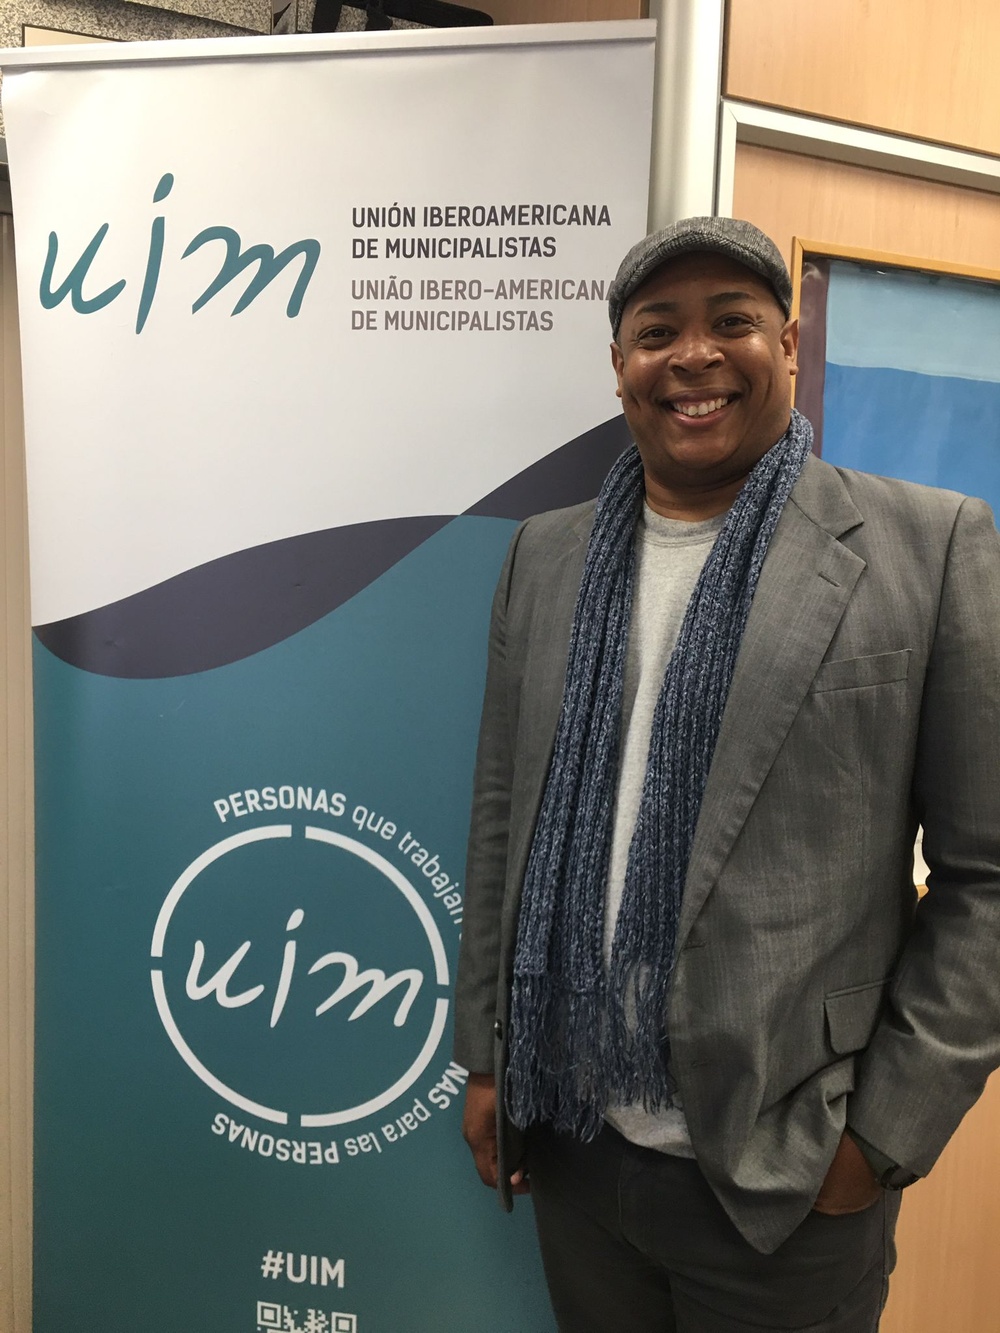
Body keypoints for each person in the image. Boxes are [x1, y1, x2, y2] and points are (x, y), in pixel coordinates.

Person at [453, 215, 1000, 1332]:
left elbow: (986, 877)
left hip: (785, 1172)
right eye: (658, 331)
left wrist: (880, 1137)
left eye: (731, 322)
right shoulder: (543, 556)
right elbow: (504, 818)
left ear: (786, 345)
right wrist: (489, 1058)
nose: (693, 355)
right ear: (619, 366)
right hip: (575, 1141)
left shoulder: (929, 547)